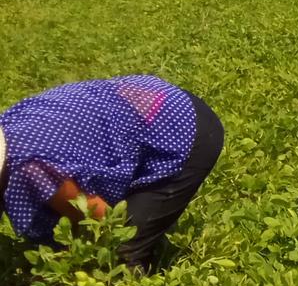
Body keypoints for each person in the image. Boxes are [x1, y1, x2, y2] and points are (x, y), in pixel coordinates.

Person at [0, 75, 224, 271]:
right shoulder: (8, 130)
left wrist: (49, 283)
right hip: (146, 100)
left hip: (182, 128)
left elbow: (106, 225)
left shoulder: (32, 169)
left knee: (122, 251)